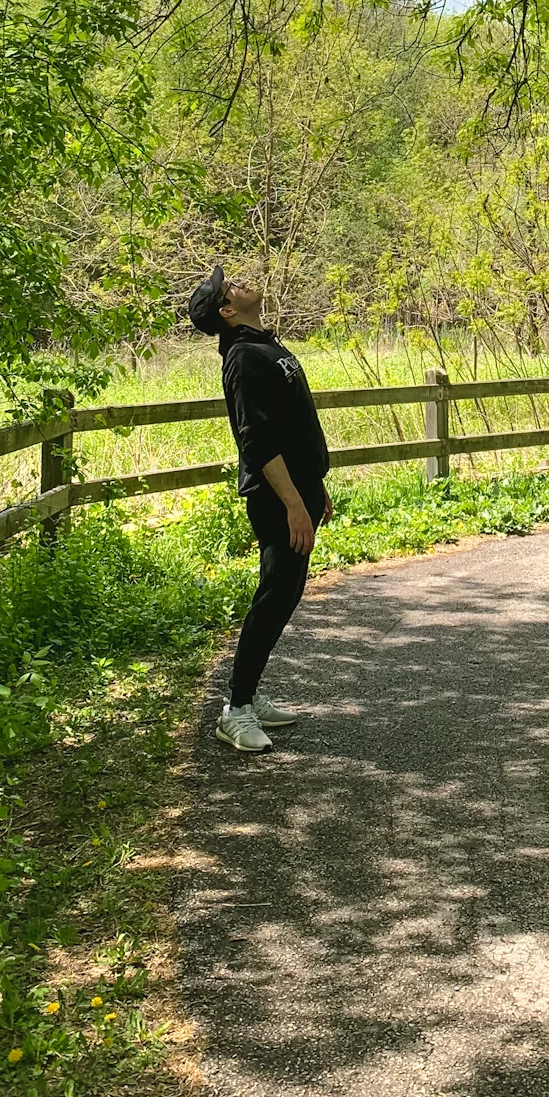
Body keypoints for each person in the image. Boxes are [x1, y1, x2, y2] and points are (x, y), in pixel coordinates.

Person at [188, 265, 333, 753]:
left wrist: (313, 489)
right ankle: (236, 709)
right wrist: (293, 503)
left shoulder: (263, 344)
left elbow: (292, 424)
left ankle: (249, 694)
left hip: (297, 491)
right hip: (276, 498)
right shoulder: (244, 357)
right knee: (274, 595)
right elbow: (256, 439)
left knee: (286, 595)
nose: (238, 282)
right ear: (226, 312)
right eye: (228, 288)